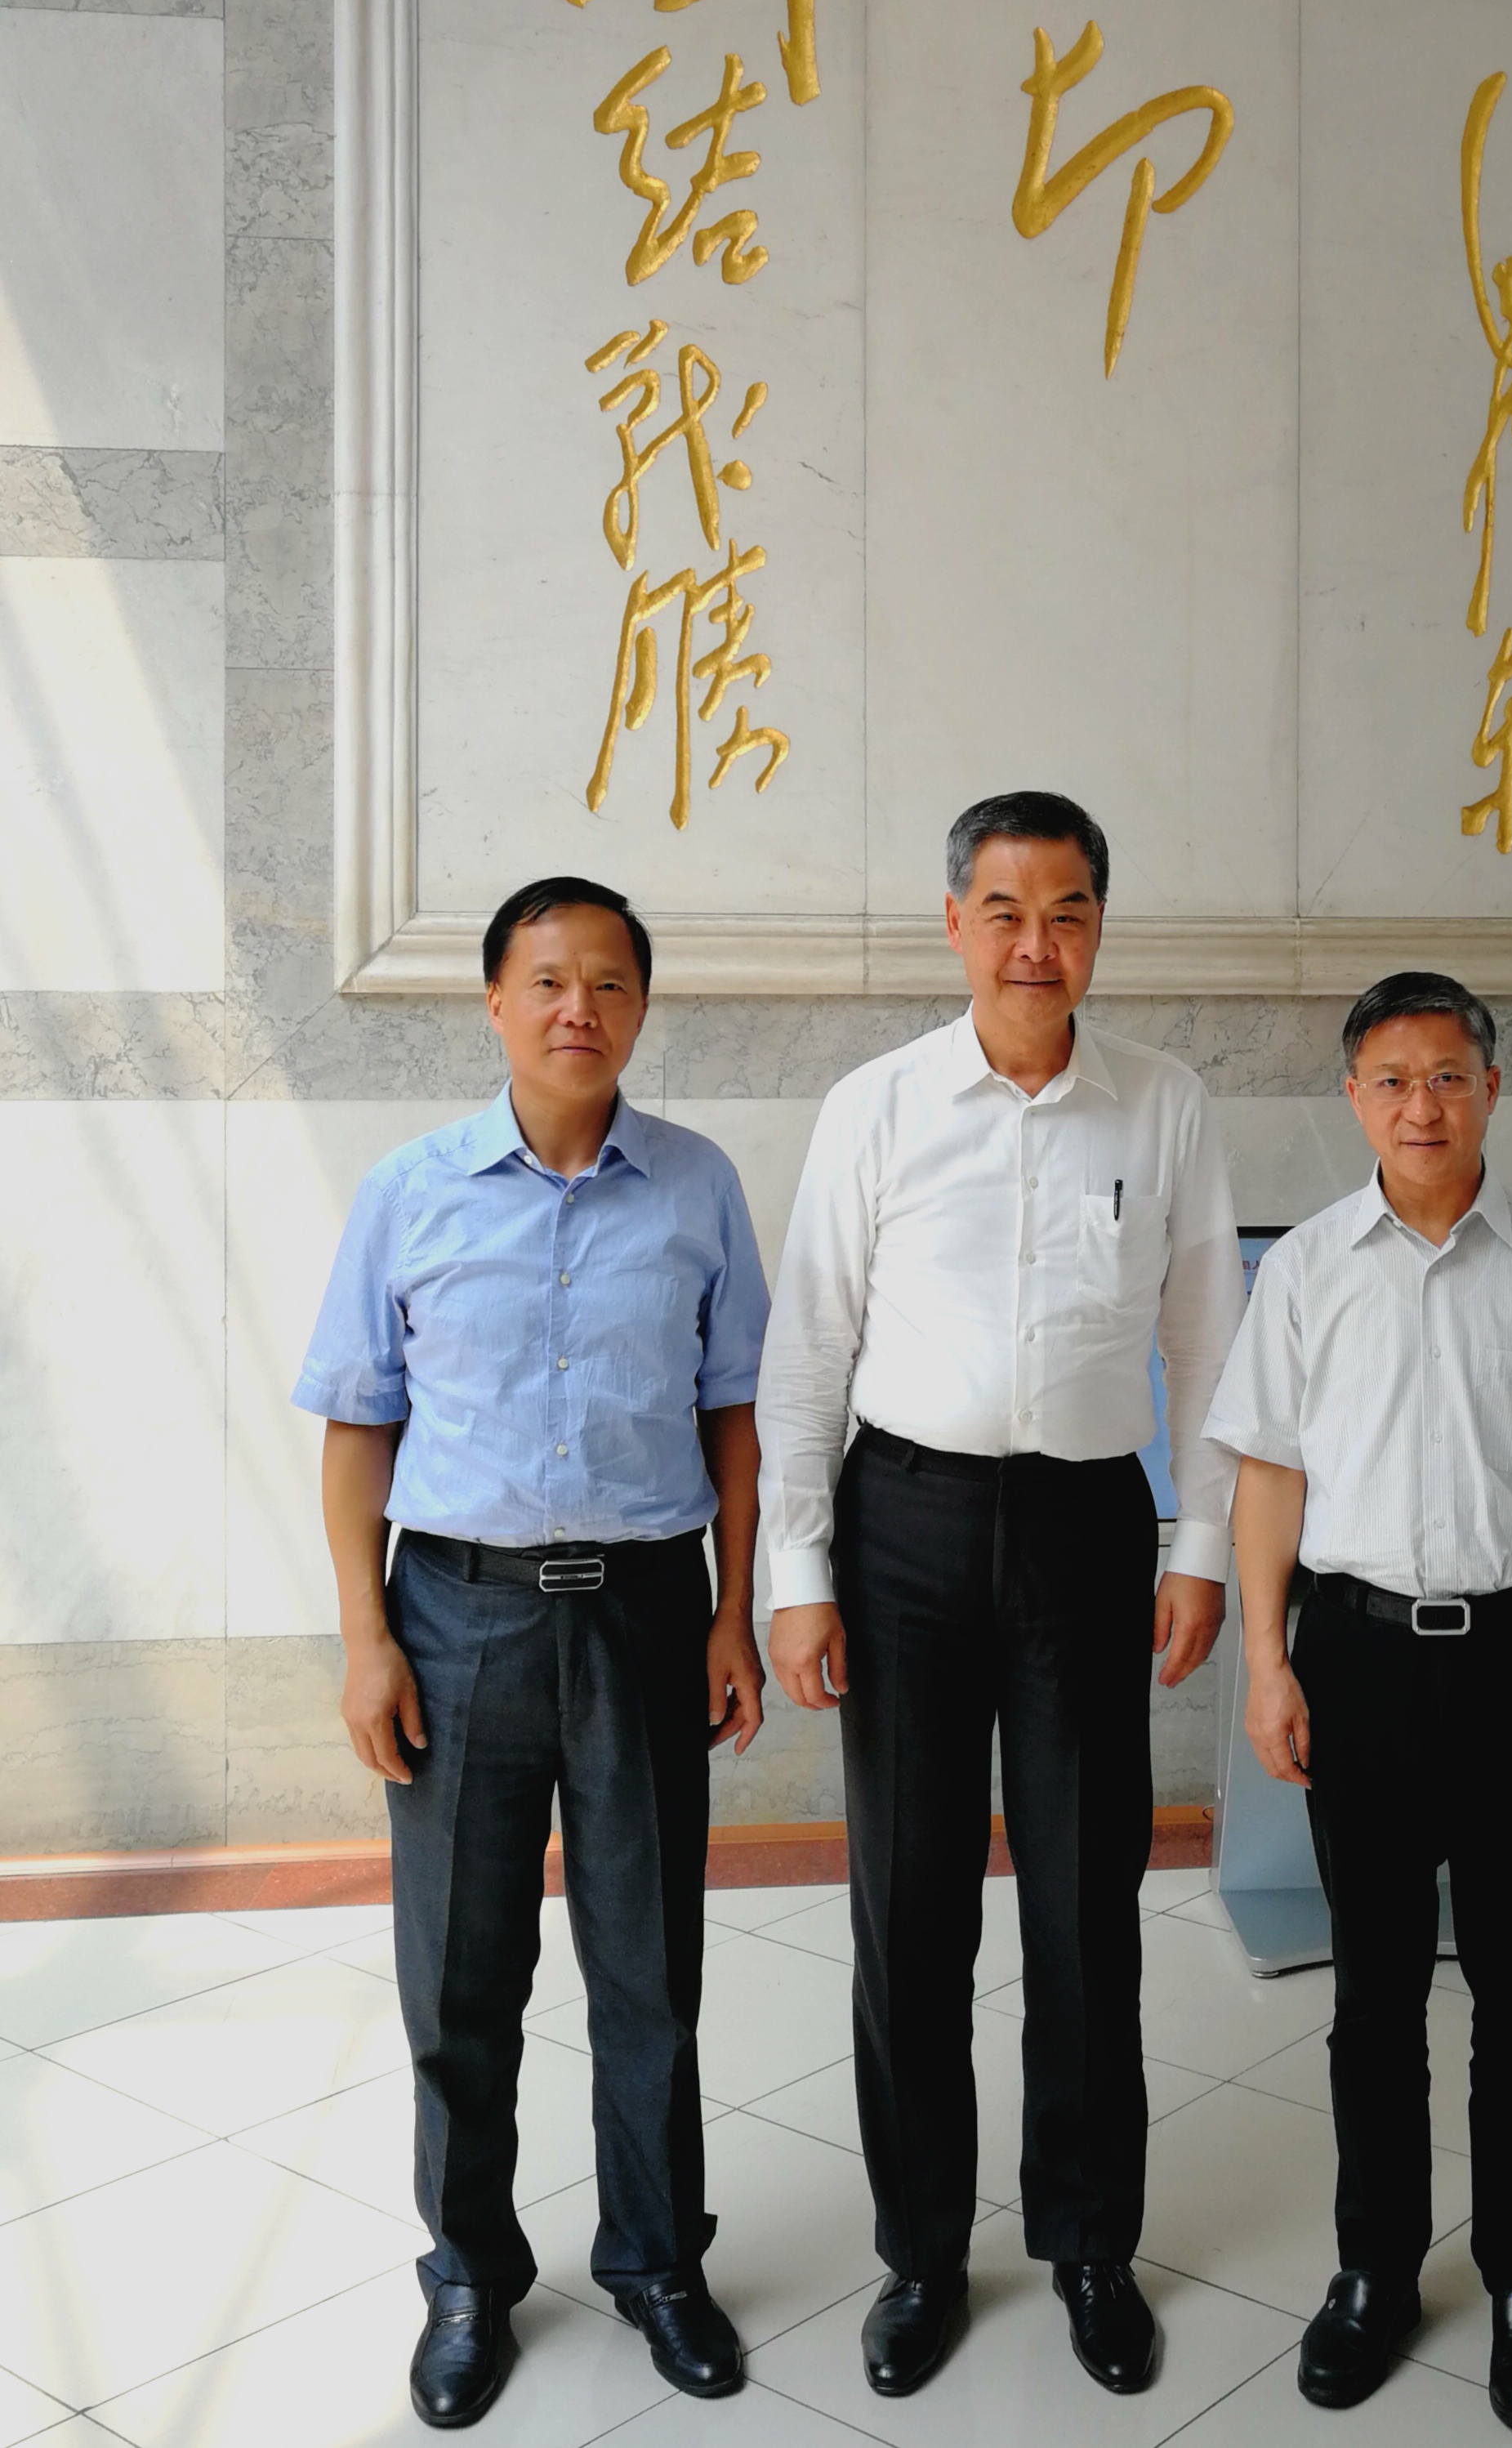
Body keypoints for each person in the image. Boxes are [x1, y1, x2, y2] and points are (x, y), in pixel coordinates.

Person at [756, 791, 1246, 2400]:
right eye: (1007, 910)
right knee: (908, 1908)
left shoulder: (1163, 1104)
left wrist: (1197, 1551)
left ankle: (1090, 2243)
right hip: (902, 1522)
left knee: (1086, 1899)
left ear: (1100, 925)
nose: (1038, 944)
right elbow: (808, 1346)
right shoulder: (878, 1104)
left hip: (1087, 1529)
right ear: (954, 921)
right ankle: (918, 2253)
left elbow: (1206, 1346)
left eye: (1069, 912)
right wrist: (796, 1576)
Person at [295, 876, 771, 2428]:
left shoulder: (696, 1186)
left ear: (641, 1006)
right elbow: (358, 1426)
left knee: (649, 1965)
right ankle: (468, 2275)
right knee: (458, 1974)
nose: (581, 1007)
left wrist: (731, 1611)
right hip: (458, 1612)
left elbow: (734, 1415)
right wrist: (366, 1636)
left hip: (643, 1610)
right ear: (496, 1001)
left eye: (610, 981)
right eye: (549, 979)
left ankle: (656, 2259)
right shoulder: (411, 1190)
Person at [1204, 969, 1512, 2434]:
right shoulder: (1304, 1268)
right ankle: (1374, 2270)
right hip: (1354, 1656)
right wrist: (1268, 1659)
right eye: (1392, 1079)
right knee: (1370, 1994)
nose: (1421, 1105)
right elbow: (1268, 1473)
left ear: (1491, 1089)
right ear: (1352, 1097)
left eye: (1448, 1076)